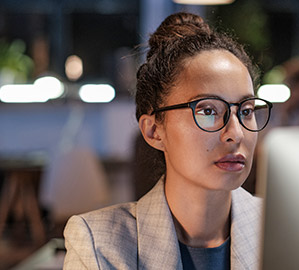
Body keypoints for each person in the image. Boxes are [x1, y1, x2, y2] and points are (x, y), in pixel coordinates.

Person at [63, 12, 272, 270]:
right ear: (153, 131)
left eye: (246, 111)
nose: (236, 133)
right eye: (208, 111)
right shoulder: (101, 244)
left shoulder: (284, 228)